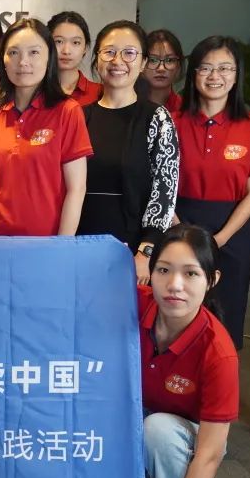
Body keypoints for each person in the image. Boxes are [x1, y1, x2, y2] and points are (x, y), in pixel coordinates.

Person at [137, 223, 237, 478]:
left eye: (191, 273)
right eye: (164, 270)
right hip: (136, 416)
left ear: (212, 281)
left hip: (184, 437)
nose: (174, 285)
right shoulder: (134, 303)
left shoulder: (218, 352)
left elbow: (210, 454)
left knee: (158, 431)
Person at [173, 37, 250, 349]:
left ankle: (223, 377)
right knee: (179, 312)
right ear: (193, 74)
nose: (214, 76)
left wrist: (219, 239)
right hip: (179, 224)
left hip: (232, 231)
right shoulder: (172, 121)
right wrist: (179, 229)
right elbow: (159, 185)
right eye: (205, 68)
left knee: (227, 318)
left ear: (236, 74)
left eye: (225, 68)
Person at [77, 20, 179, 285]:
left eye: (129, 53)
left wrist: (145, 252)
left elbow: (165, 190)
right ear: (96, 58)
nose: (118, 61)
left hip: (133, 249)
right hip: (80, 243)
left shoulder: (157, 118)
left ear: (143, 62)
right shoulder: (79, 117)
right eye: (109, 52)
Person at [0, 18, 91, 236]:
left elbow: (77, 189)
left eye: (34, 52)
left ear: (49, 58)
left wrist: (62, 245)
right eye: (13, 53)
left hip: (47, 242)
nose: (23, 62)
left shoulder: (68, 111)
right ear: (3, 59)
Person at [49, 11, 102, 107]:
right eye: (59, 41)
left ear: (85, 48)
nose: (66, 51)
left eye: (75, 42)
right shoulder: (35, 92)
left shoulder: (100, 93)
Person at [142, 29, 185, 114]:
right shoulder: (126, 105)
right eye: (153, 60)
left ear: (178, 66)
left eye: (169, 60)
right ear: (141, 64)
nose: (161, 68)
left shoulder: (185, 110)